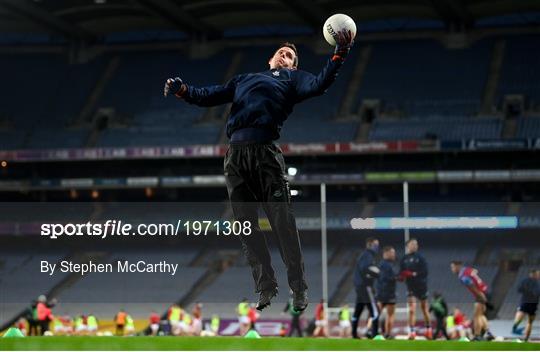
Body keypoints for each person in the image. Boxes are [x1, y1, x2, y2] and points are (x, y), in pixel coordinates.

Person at [164, 32, 354, 312]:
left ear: (292, 65)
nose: (285, 56)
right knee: (245, 225)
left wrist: (339, 54)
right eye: (282, 52)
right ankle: (266, 287)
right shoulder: (244, 79)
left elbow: (319, 84)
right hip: (235, 158)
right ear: (271, 59)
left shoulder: (293, 79)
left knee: (283, 223)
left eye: (290, 56)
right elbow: (209, 95)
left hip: (265, 154)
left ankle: (298, 287)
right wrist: (183, 90)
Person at [450, 261, 494, 341]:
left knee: (476, 315)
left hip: (480, 294)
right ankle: (488, 333)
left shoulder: (462, 276)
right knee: (480, 315)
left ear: (457, 266)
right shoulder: (467, 269)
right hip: (485, 290)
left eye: (453, 267)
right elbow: (475, 271)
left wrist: (481, 297)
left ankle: (477, 336)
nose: (452, 269)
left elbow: (472, 286)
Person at [399, 238, 431, 339]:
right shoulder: (404, 259)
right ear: (407, 246)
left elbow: (425, 272)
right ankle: (412, 332)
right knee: (412, 310)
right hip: (410, 286)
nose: (415, 246)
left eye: (416, 244)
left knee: (424, 309)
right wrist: (401, 276)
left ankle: (428, 330)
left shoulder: (420, 258)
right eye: (412, 244)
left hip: (421, 286)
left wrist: (413, 274)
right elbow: (401, 272)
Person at [351, 237, 380, 339]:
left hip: (359, 286)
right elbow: (366, 269)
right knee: (375, 311)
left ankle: (354, 334)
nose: (377, 247)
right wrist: (378, 273)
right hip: (365, 286)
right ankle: (375, 335)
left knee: (357, 311)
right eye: (376, 244)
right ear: (369, 245)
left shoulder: (364, 255)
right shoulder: (368, 255)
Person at [512, 268, 540, 342]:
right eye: (537, 274)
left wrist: (527, 291)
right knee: (529, 322)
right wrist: (532, 292)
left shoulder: (525, 281)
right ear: (533, 274)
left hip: (527, 302)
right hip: (532, 303)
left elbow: (519, 289)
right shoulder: (536, 283)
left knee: (522, 318)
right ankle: (525, 338)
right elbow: (536, 293)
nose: (538, 276)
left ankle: (515, 329)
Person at [376, 246, 397, 339]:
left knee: (377, 313)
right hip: (387, 292)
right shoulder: (387, 265)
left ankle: (370, 330)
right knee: (390, 314)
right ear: (386, 253)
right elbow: (386, 278)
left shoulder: (382, 264)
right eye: (392, 253)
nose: (394, 255)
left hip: (382, 292)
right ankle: (387, 333)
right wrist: (396, 278)